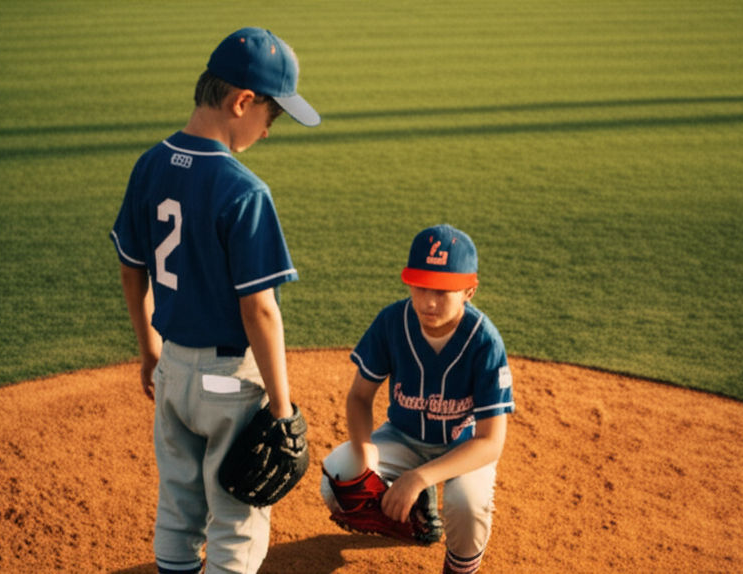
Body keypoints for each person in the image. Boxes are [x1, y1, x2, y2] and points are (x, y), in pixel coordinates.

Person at [109, 27, 319, 574]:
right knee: (236, 523)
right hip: (230, 383)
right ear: (242, 101)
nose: (269, 132)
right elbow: (260, 310)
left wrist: (149, 349)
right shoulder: (244, 189)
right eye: (271, 117)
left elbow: (133, 269)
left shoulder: (149, 165)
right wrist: (281, 404)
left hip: (172, 370)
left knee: (178, 511)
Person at [320, 224, 515, 574]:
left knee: (467, 503)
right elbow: (360, 397)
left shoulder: (484, 341)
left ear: (470, 290)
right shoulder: (392, 322)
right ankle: (415, 518)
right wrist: (365, 457)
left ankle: (457, 568)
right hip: (402, 437)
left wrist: (420, 477)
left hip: (462, 445)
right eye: (420, 285)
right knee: (337, 479)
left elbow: (490, 442)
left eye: (443, 291)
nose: (428, 301)